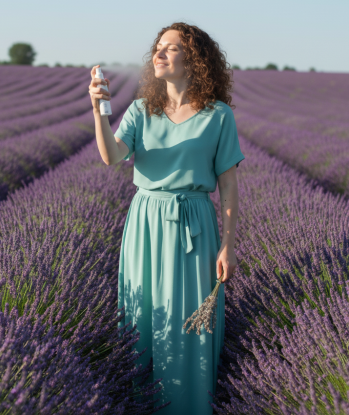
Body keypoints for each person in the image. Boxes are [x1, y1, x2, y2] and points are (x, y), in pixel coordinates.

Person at [89, 22, 244, 414]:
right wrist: (98, 110)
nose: (158, 54)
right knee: (144, 317)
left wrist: (228, 245)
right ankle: (143, 405)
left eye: (170, 48)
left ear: (194, 59)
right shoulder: (141, 110)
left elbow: (228, 184)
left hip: (195, 223)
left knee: (190, 321)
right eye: (157, 47)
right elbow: (111, 156)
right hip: (146, 223)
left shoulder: (218, 115)